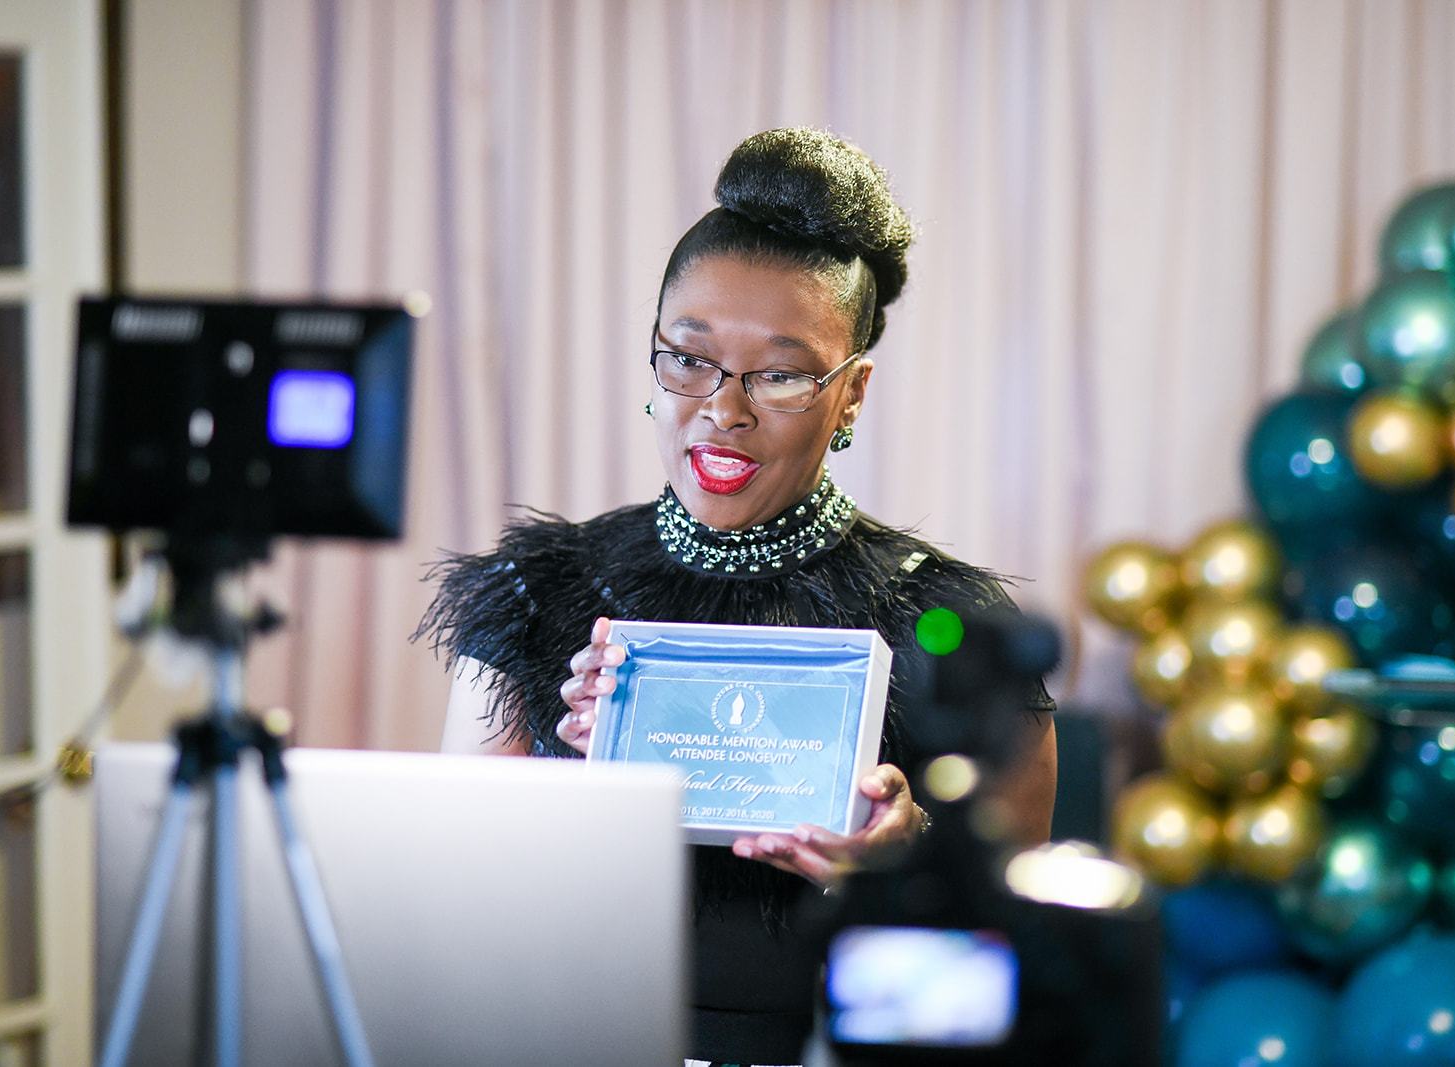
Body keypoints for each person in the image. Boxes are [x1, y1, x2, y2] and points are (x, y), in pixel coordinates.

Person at [418, 127, 1056, 1067]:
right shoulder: (534, 595)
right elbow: (453, 924)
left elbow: (1013, 987)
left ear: (852, 394)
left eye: (782, 374)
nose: (724, 409)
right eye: (689, 357)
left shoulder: (952, 630)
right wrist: (569, 789)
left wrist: (905, 858)